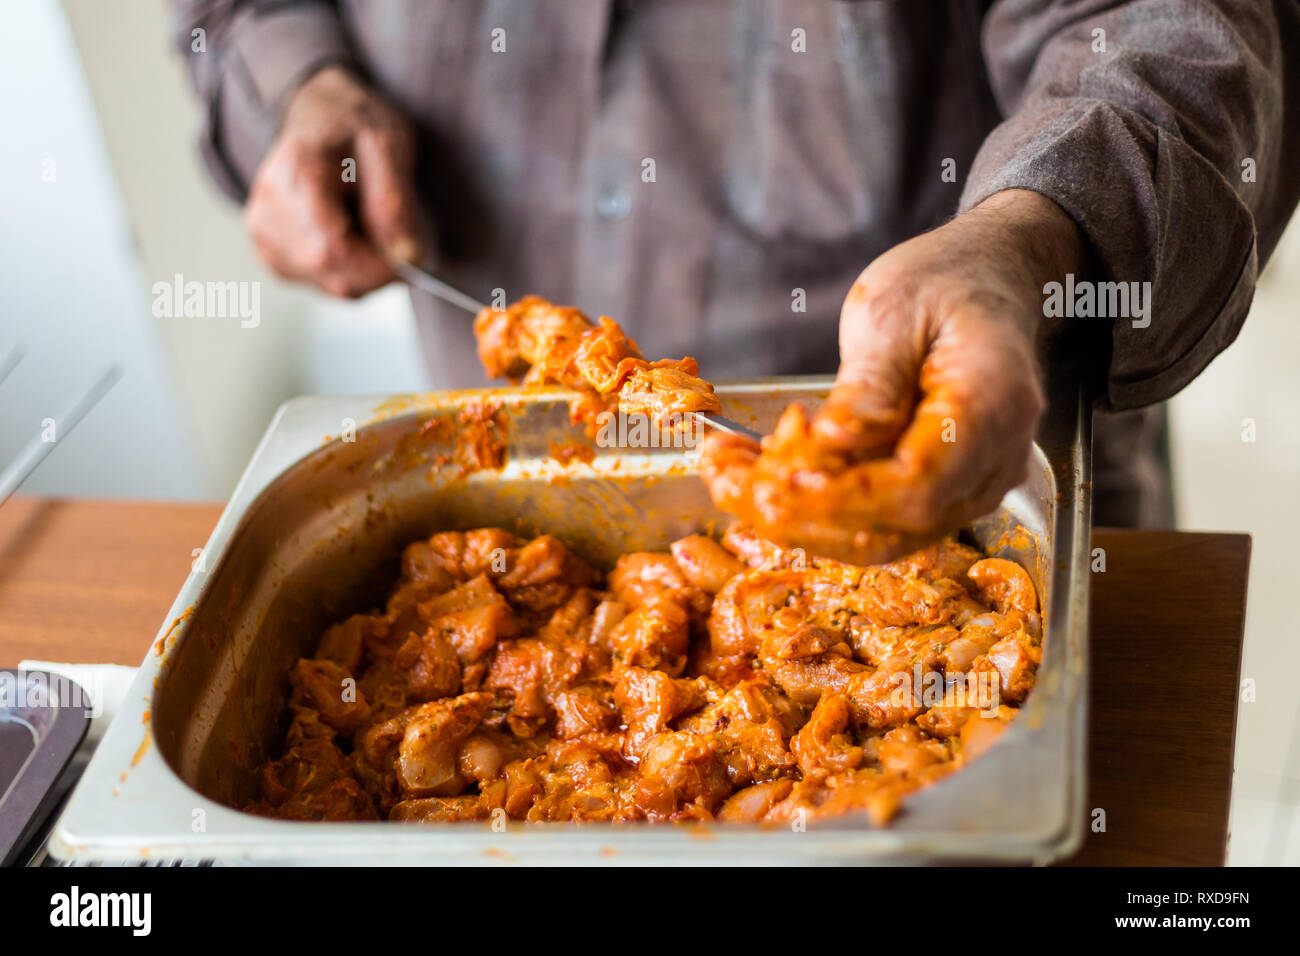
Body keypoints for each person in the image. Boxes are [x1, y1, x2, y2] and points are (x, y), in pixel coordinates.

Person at [175, 0, 1299, 536]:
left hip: (963, 472)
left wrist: (1025, 238)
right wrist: (292, 80)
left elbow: (1169, 28)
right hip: (501, 483)